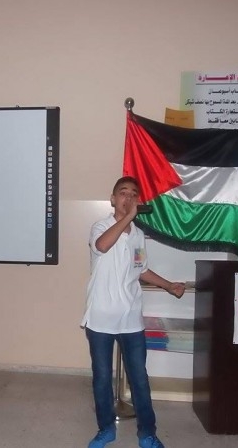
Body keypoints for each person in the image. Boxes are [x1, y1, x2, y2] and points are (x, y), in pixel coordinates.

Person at [81, 176, 185, 448]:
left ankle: (147, 433)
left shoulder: (138, 235)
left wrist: (168, 285)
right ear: (113, 199)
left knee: (139, 378)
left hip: (131, 317)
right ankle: (106, 430)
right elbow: (102, 246)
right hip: (101, 316)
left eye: (133, 194)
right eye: (123, 193)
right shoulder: (100, 226)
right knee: (102, 378)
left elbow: (141, 269)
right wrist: (128, 218)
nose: (128, 197)